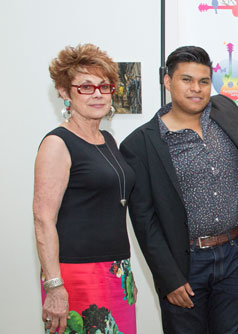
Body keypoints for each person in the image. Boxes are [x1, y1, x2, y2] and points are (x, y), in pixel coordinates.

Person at [120, 46, 238, 334]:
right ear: (167, 82)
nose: (196, 89)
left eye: (203, 81)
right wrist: (168, 277)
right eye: (186, 80)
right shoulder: (141, 144)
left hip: (235, 255)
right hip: (185, 264)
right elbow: (145, 220)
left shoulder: (226, 111)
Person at [34, 43, 136, 334]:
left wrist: (125, 275)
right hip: (77, 274)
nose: (97, 94)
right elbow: (43, 220)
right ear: (65, 92)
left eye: (104, 86)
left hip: (116, 270)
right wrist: (54, 286)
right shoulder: (57, 143)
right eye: (85, 87)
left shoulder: (108, 140)